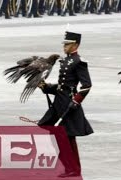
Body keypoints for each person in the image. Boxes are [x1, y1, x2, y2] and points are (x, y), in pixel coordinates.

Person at [37, 31, 94, 178]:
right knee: (57, 136)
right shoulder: (66, 60)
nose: (64, 47)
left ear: (75, 44)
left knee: (68, 137)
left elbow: (86, 85)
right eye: (64, 44)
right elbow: (63, 85)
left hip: (69, 105)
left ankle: (73, 168)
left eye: (67, 44)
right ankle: (70, 167)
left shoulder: (78, 62)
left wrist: (76, 101)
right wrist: (46, 87)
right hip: (59, 102)